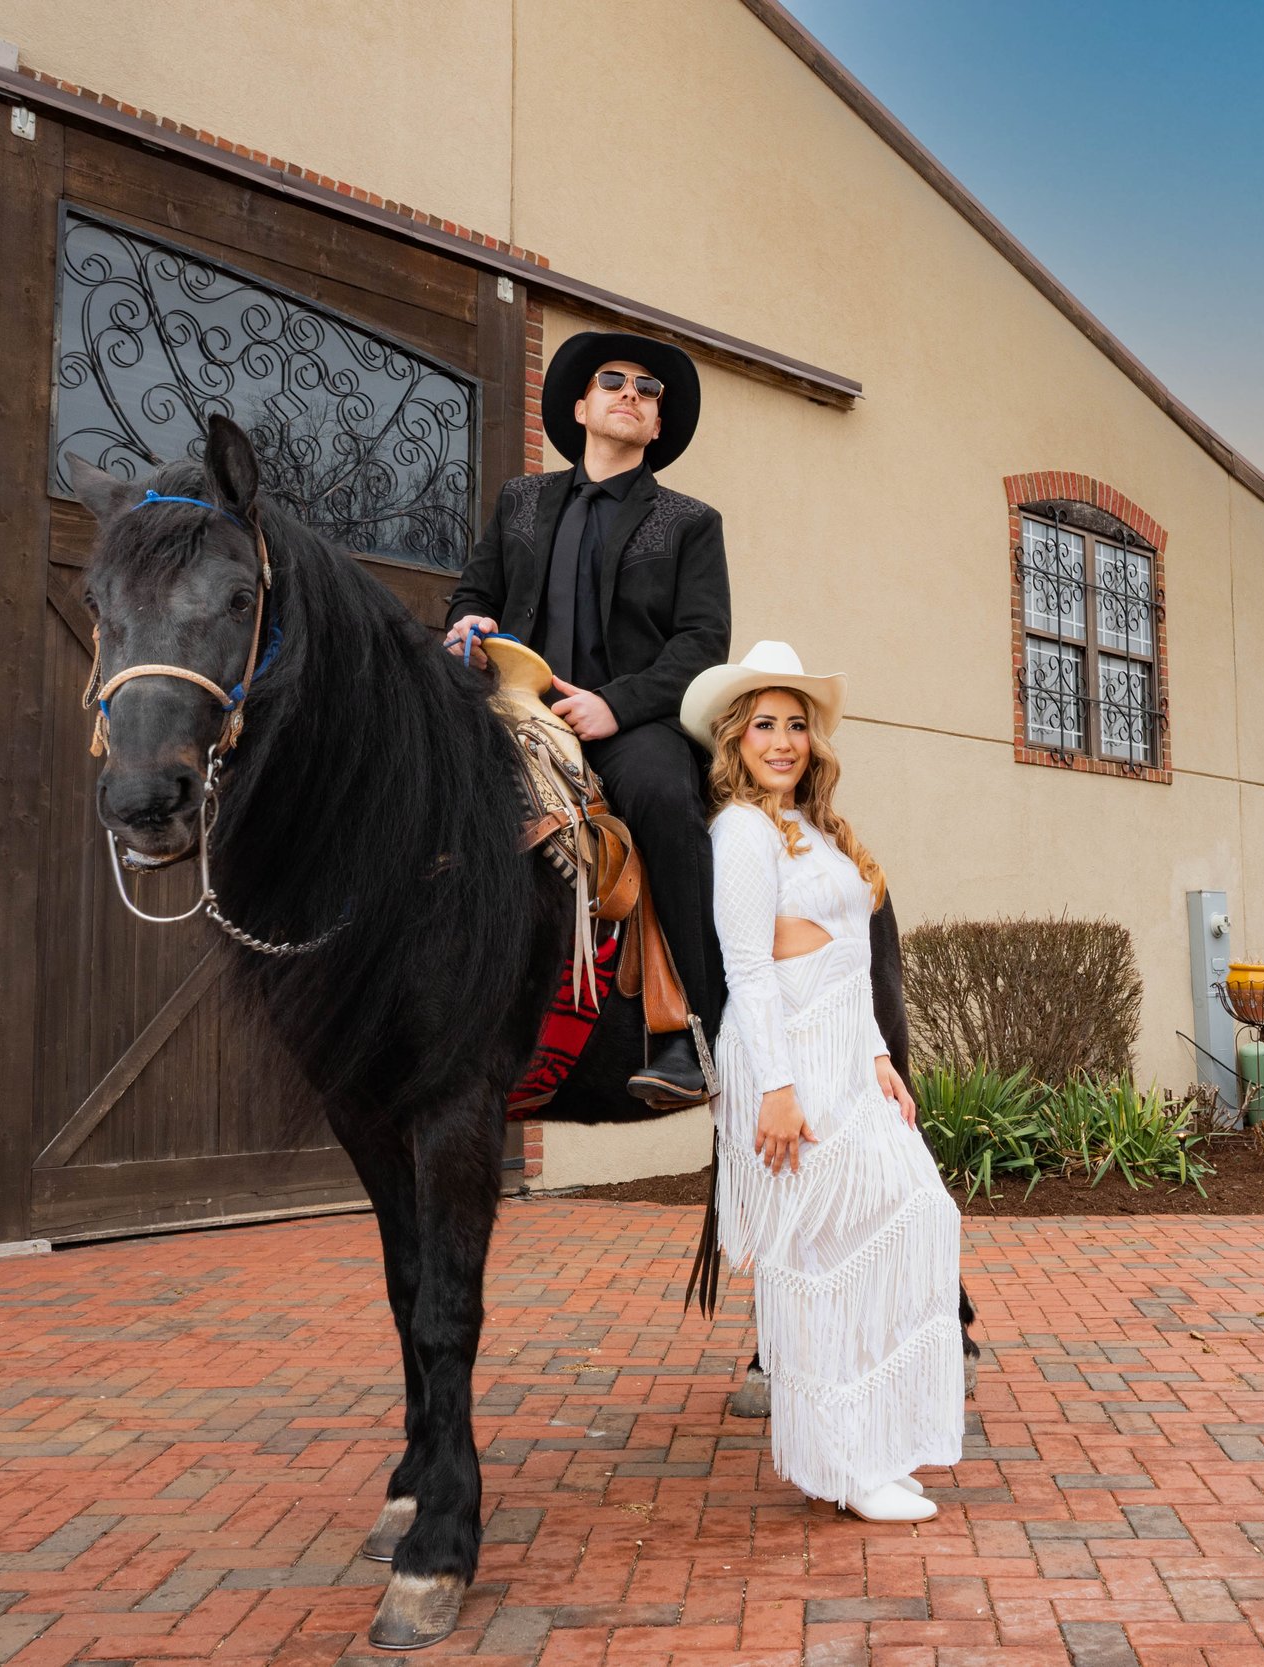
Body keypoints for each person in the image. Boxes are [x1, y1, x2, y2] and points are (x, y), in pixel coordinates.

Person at [680, 641, 965, 1523]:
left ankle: (873, 1446)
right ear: (736, 736)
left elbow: (849, 957)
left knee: (921, 1213)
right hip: (788, 1052)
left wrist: (879, 1056)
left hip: (846, 1047)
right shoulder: (740, 829)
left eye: (797, 724)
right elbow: (747, 968)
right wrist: (773, 1087)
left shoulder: (820, 827)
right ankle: (845, 1464)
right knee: (821, 1261)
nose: (783, 740)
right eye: (765, 723)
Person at [447, 331, 727, 1105]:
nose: (631, 392)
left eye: (648, 388)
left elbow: (703, 641)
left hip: (632, 724)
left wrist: (617, 705)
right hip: (518, 713)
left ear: (657, 425)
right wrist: (468, 622)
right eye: (613, 380)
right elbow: (474, 593)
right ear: (579, 407)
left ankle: (694, 1027)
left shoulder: (690, 521)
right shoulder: (521, 501)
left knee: (664, 798)